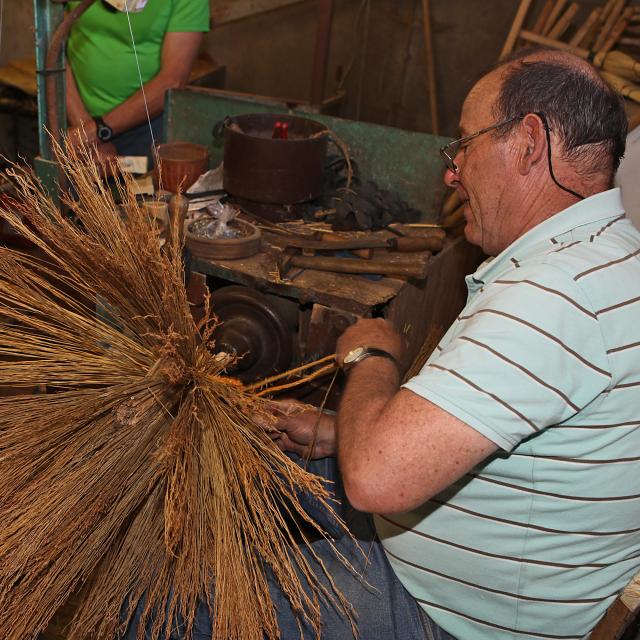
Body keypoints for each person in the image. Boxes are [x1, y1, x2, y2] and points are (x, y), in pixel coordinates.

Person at [125, 47, 640, 640]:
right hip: (447, 539)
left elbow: (374, 479)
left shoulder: (557, 293)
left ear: (527, 143)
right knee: (259, 466)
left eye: (464, 145)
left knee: (163, 612)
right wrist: (340, 431)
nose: (452, 172)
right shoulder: (602, 257)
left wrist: (374, 356)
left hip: (450, 612)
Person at [65, 0, 209, 160]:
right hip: (75, 120)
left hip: (146, 127)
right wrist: (83, 129)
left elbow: (173, 80)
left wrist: (97, 132)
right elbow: (53, 50)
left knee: (145, 182)